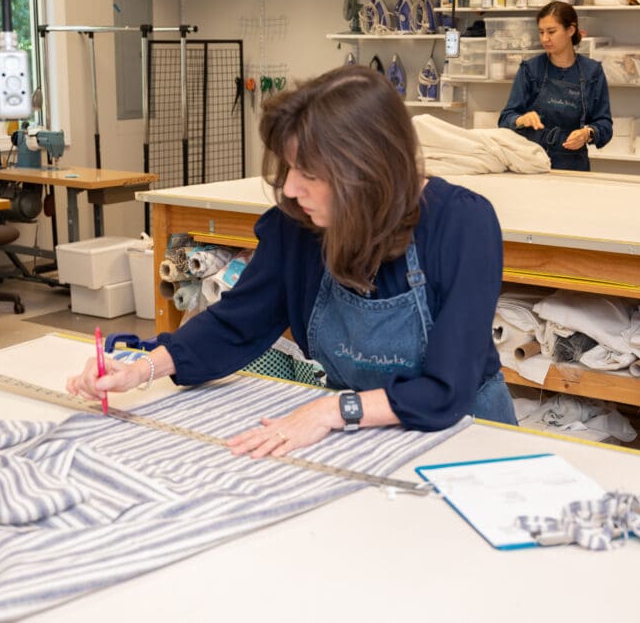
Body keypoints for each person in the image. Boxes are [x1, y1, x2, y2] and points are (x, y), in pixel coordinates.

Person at [67, 65, 516, 458]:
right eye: (290, 169)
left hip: (469, 433)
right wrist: (140, 369)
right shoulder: (298, 226)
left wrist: (331, 409)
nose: (292, 190)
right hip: (361, 439)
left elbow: (446, 391)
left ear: (367, 173)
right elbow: (235, 324)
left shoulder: (461, 224)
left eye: (311, 174)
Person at [498, 1, 613, 171]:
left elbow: (604, 124)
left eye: (551, 32)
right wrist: (521, 120)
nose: (545, 38)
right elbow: (505, 119)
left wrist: (587, 134)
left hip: (573, 165)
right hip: (531, 162)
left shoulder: (592, 72)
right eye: (541, 32)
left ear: (570, 30)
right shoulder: (530, 69)